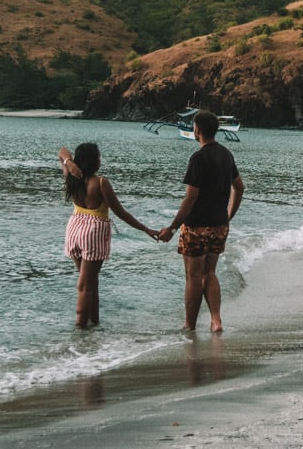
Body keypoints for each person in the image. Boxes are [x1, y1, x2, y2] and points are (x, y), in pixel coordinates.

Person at [158, 111, 245, 334]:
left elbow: (190, 198)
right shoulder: (226, 154)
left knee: (193, 276)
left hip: (196, 226)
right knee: (210, 273)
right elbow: (239, 187)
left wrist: (172, 227)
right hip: (219, 225)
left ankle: (190, 325)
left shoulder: (198, 158)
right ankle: (216, 321)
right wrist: (228, 215)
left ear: (197, 130)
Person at [59, 143, 158, 328]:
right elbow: (121, 213)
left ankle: (94, 324)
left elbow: (62, 151)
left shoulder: (72, 178)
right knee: (86, 285)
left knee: (90, 281)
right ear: (92, 161)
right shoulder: (101, 183)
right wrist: (146, 229)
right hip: (93, 232)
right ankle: (80, 329)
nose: (100, 160)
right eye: (98, 157)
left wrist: (68, 163)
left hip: (74, 228)